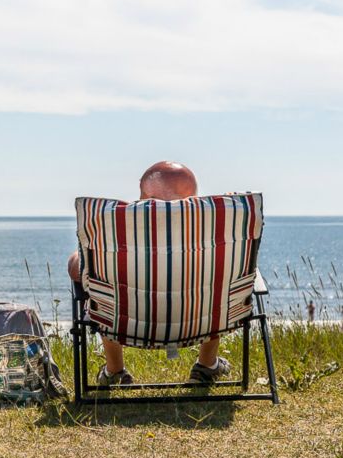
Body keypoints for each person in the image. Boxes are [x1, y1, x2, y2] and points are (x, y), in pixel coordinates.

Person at [67, 161, 230, 386]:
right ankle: (207, 365)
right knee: (221, 281)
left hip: (129, 323)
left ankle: (114, 372)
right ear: (192, 198)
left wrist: (79, 257)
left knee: (100, 287)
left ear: (144, 194)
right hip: (196, 320)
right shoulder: (214, 235)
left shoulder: (115, 232)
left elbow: (77, 270)